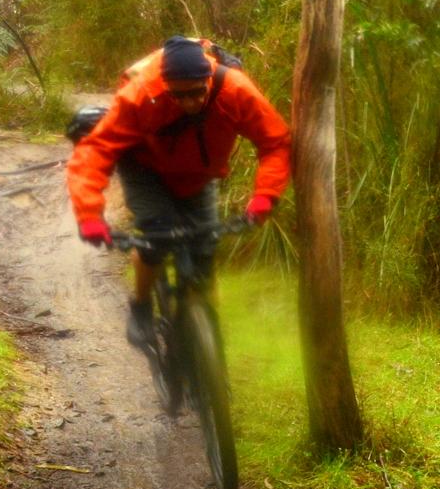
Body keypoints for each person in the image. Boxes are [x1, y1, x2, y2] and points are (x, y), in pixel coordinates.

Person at [67, 36, 291, 349]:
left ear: (209, 79)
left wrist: (265, 196)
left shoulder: (235, 90)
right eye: (179, 95)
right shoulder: (141, 94)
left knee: (204, 252)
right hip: (145, 170)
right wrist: (90, 215)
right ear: (165, 85)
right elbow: (96, 150)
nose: (190, 103)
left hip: (199, 177)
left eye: (197, 92)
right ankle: (142, 306)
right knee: (156, 237)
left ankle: (210, 353)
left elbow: (275, 142)